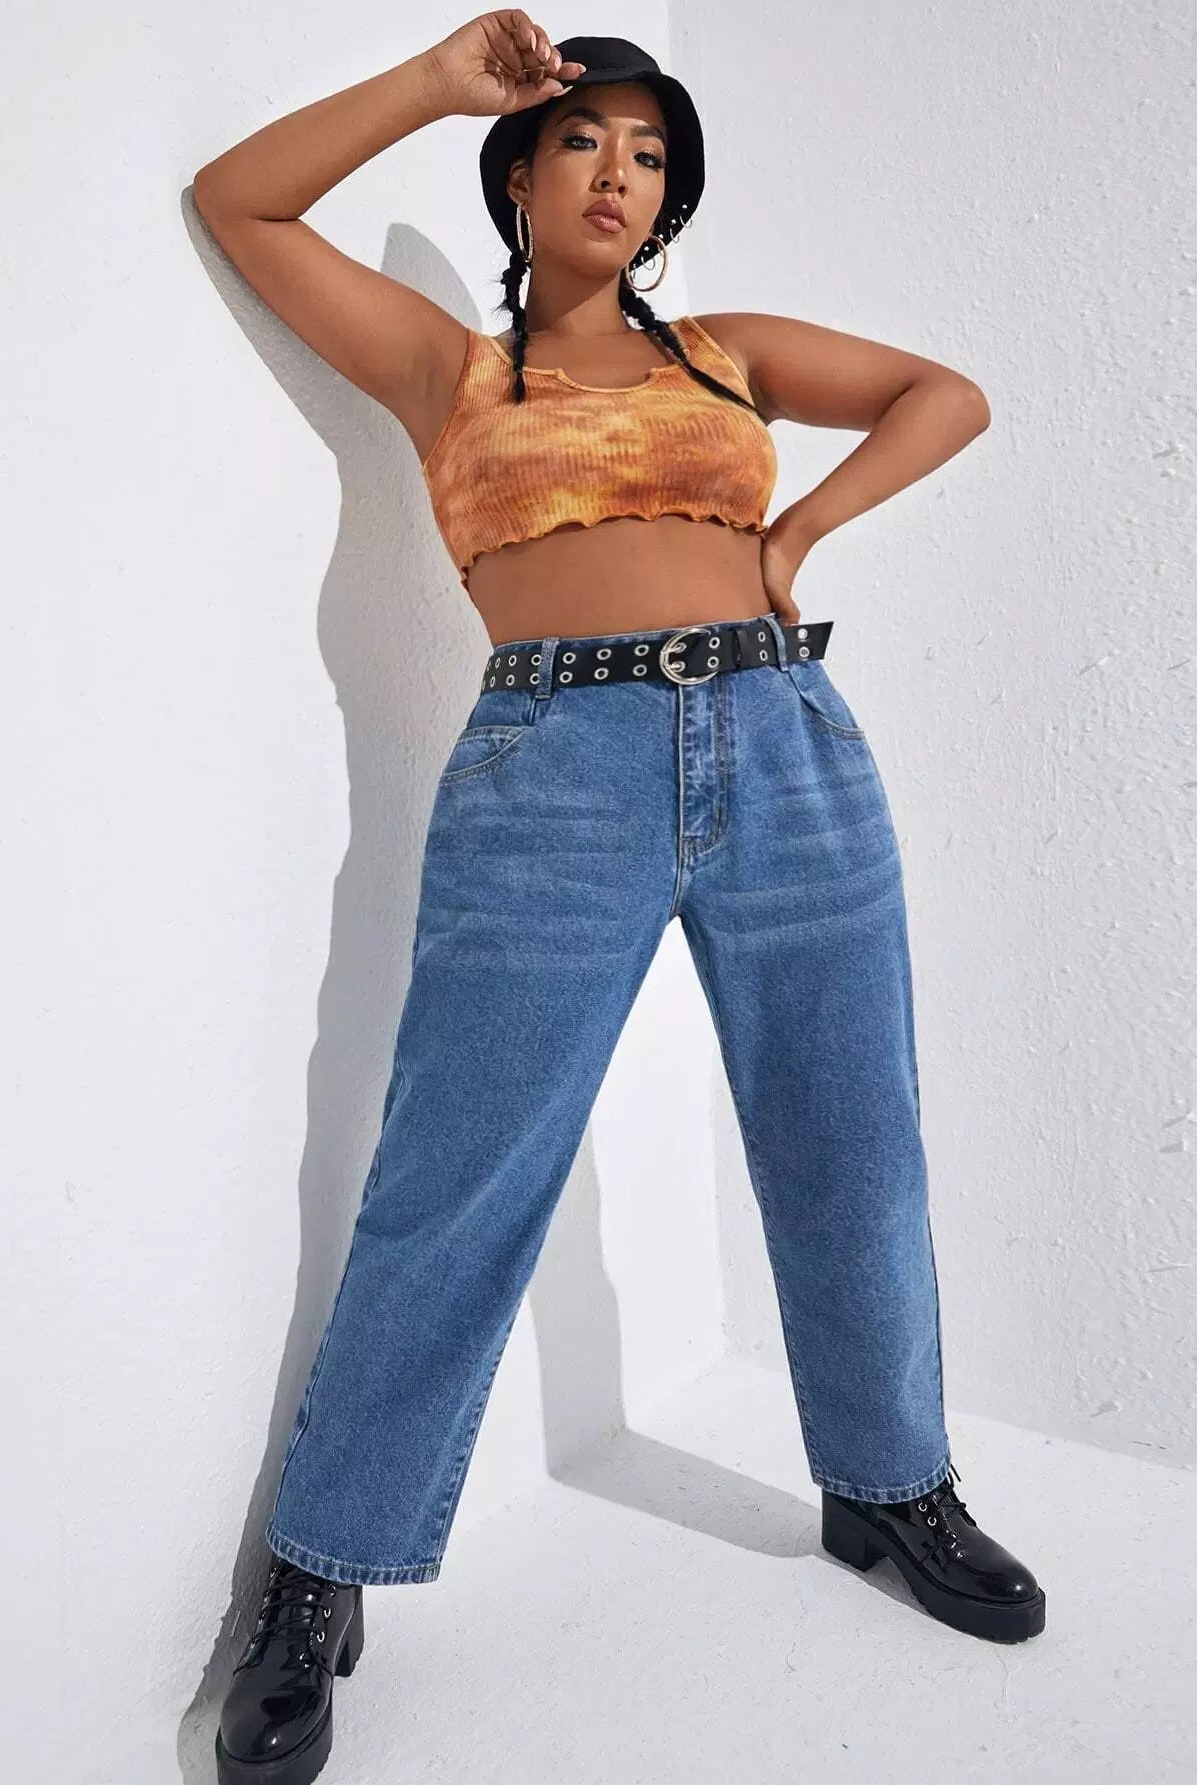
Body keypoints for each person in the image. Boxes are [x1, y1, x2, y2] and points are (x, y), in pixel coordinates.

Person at [191, 16, 1046, 1780]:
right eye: (585, 139)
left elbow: (946, 395)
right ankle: (324, 1565)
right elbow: (241, 203)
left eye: (650, 154)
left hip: (786, 739)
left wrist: (796, 536)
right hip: (549, 773)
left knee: (851, 1137)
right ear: (522, 172)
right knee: (454, 1174)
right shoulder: (451, 370)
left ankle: (890, 1481)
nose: (619, 174)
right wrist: (438, 83)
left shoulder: (729, 356)